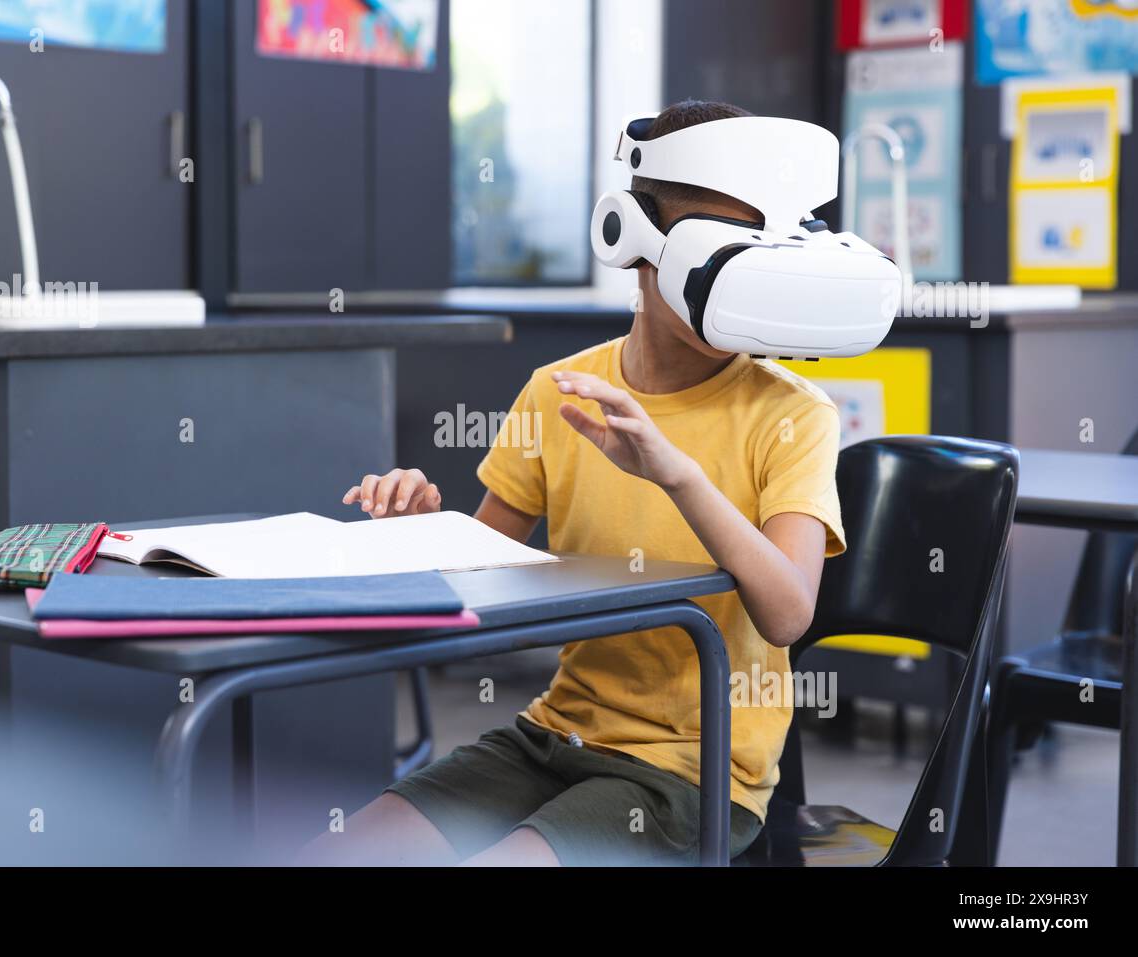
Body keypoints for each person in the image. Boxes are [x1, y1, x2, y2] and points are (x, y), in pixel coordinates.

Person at [299, 100, 846, 866]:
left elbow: (788, 611)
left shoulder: (794, 414)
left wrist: (675, 472)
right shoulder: (561, 389)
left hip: (691, 770)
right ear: (631, 236)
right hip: (551, 736)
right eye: (722, 247)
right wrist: (419, 528)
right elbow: (480, 573)